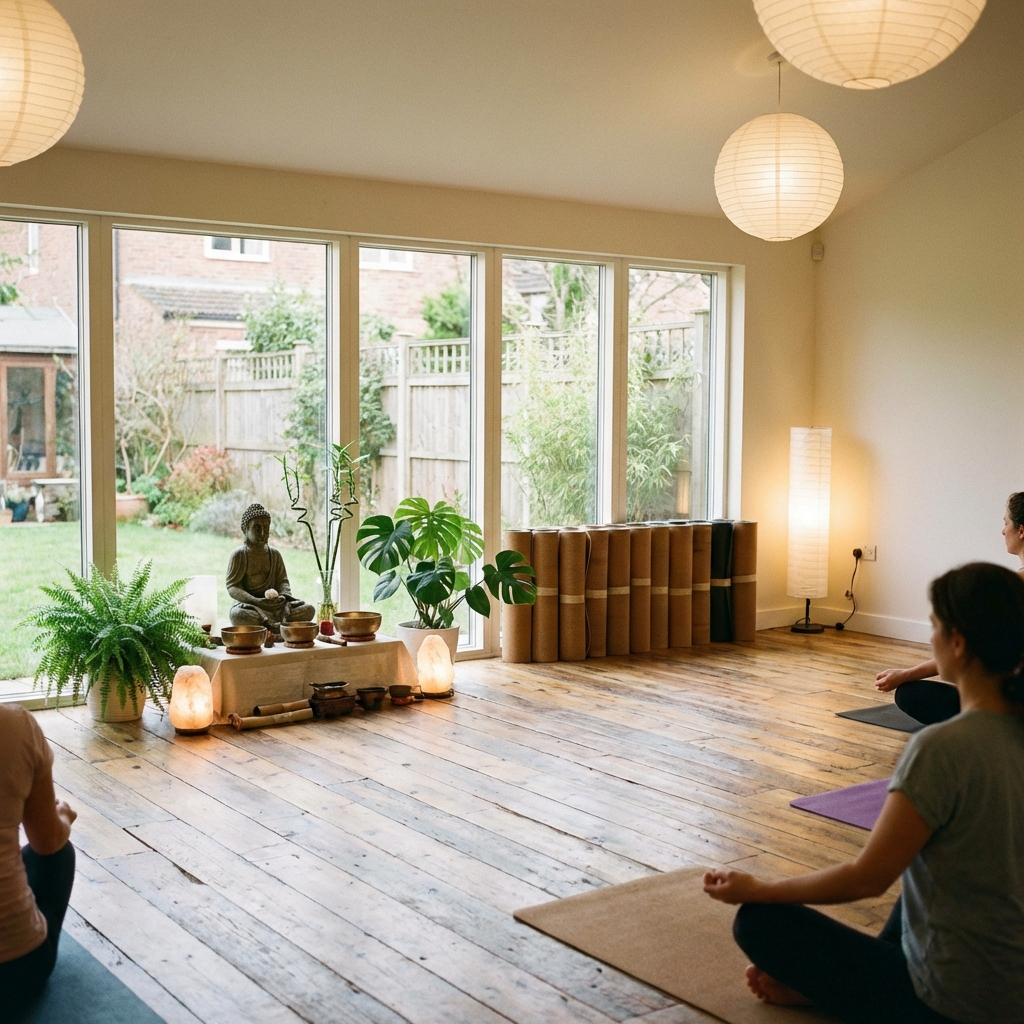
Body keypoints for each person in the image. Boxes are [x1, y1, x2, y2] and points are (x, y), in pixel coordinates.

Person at [704, 561, 1024, 1024]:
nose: (930, 638)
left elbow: (867, 878)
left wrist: (762, 888)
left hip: (954, 1006)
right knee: (922, 878)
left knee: (759, 921)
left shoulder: (942, 748)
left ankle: (847, 996)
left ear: (957, 643)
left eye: (933, 627)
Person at [874, 492, 1024, 725]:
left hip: (1011, 707)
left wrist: (905, 674)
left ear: (1021, 531)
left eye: (1006, 523)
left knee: (908, 694)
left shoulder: (1011, 589)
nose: (1003, 531)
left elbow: (969, 649)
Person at [0, 704, 77, 1013]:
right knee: (59, 854)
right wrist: (63, 816)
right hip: (15, 975)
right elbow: (47, 843)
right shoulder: (14, 724)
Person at [226, 502, 315, 632]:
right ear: (246, 529)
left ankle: (269, 627)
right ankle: (278, 627)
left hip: (276, 606)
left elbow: (283, 581)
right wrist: (256, 601)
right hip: (252, 606)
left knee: (308, 609)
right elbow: (232, 586)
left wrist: (282, 597)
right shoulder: (239, 555)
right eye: (257, 528)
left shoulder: (274, 554)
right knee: (238, 615)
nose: (263, 533)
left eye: (266, 528)